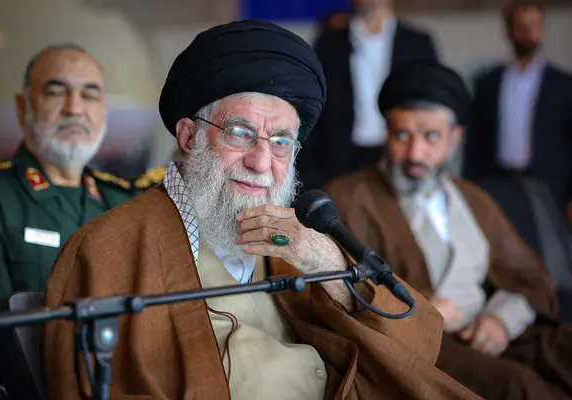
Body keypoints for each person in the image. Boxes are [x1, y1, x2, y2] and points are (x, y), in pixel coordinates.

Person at [43, 20, 480, 400]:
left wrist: (326, 262)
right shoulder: (109, 248)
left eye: (282, 142)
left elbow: (416, 341)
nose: (261, 162)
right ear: (189, 136)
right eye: (240, 133)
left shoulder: (292, 239)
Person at [326, 59, 572, 400]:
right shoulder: (348, 198)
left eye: (431, 136)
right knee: (517, 385)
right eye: (402, 135)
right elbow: (339, 294)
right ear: (386, 134)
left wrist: (501, 320)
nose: (415, 153)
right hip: (424, 346)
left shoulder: (473, 198)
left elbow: (528, 278)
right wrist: (423, 310)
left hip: (491, 328)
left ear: (454, 138)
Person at [0, 44, 135, 378]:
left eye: (89, 95)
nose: (74, 108)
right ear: (23, 107)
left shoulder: (124, 202)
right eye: (56, 92)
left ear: (104, 111)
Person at [297, 0, 439, 191]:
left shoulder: (418, 43)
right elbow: (314, 106)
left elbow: (431, 107)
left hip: (402, 153)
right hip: (342, 159)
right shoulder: (329, 44)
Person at [464, 1, 572, 217]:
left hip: (550, 186)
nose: (528, 32)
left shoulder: (563, 84)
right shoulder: (488, 83)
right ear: (509, 30)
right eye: (521, 25)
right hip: (497, 183)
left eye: (534, 25)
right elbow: (475, 142)